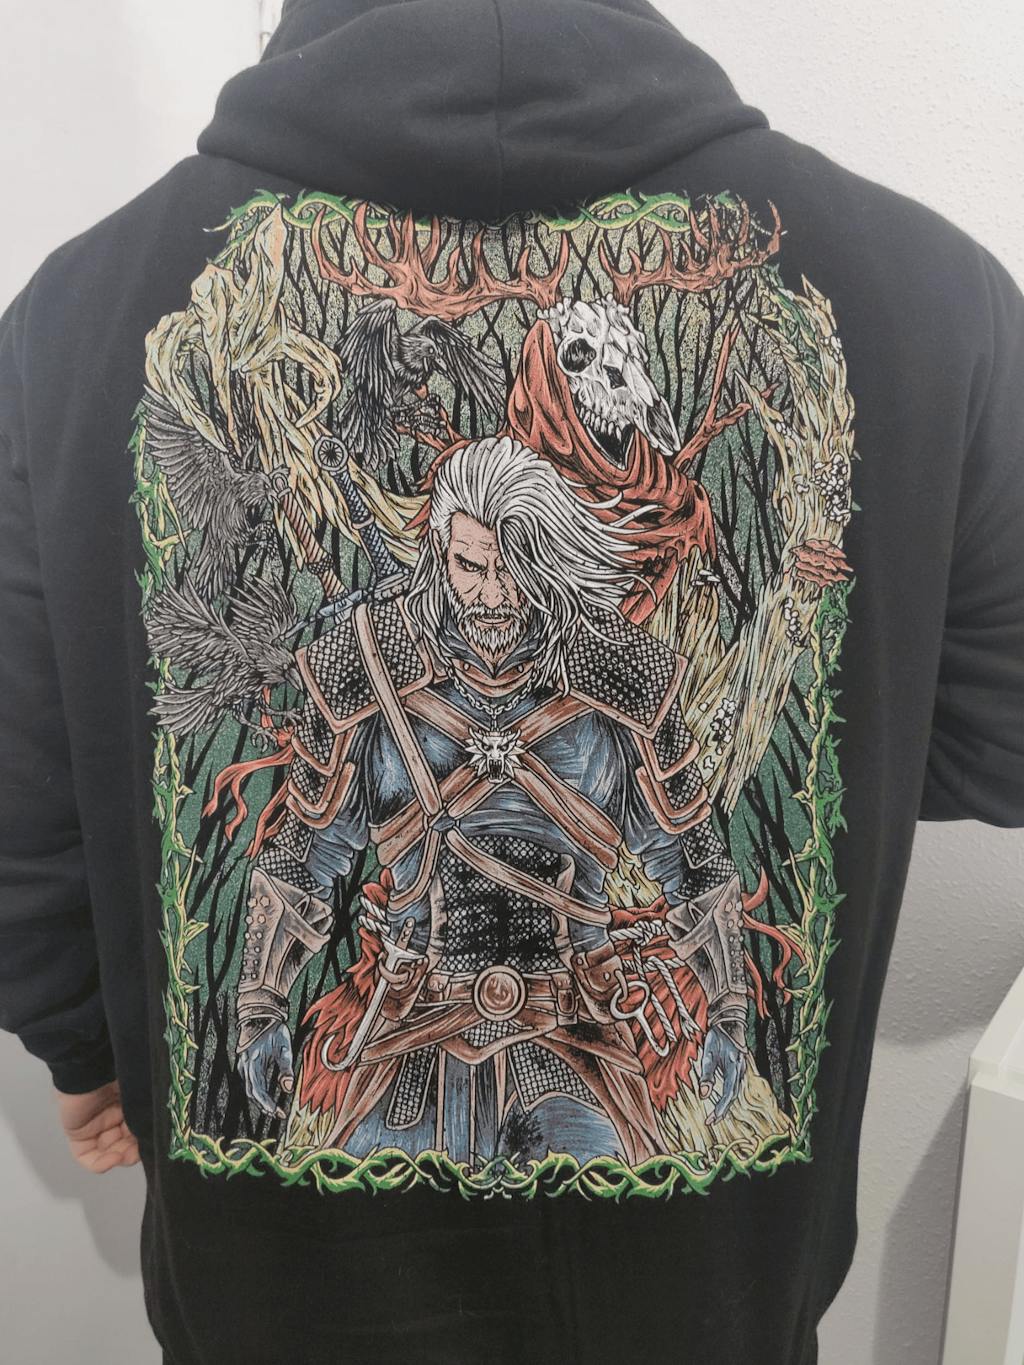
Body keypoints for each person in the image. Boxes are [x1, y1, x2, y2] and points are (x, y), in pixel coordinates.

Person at [0, 2, 1021, 1363]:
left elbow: (696, 860)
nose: (481, 593)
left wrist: (722, 1014)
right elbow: (309, 851)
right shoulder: (934, 295)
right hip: (414, 1038)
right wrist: (253, 1009)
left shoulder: (68, 320)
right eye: (462, 565)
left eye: (504, 567)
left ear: (545, 562)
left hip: (571, 1045)